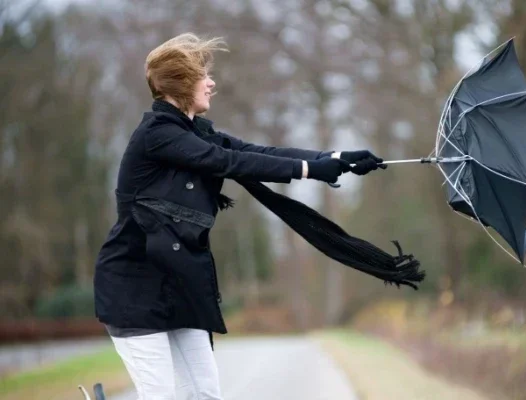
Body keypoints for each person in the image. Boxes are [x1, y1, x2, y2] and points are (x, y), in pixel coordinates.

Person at [93, 33, 386, 400]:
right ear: (183, 83)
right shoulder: (158, 135)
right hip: (134, 287)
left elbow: (255, 150)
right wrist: (310, 170)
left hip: (180, 284)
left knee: (205, 394)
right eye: (203, 75)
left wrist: (336, 157)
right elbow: (228, 162)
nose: (211, 82)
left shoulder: (195, 131)